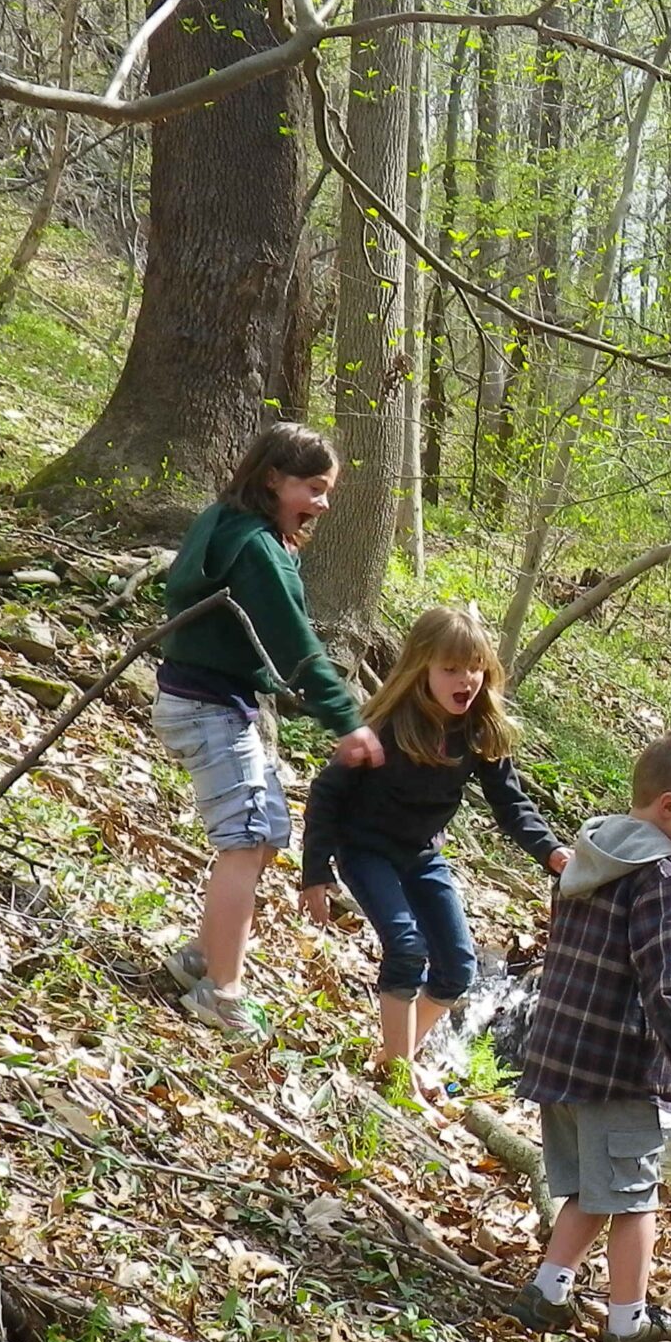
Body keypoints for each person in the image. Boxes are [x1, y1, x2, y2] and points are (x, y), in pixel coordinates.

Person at [502, 729, 671, 1342]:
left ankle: (548, 1293)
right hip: (615, 1064)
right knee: (635, 1197)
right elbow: (668, 976)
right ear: (668, 805)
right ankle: (628, 1324)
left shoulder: (592, 853)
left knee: (591, 1187)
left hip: (560, 1051)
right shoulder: (661, 878)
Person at [153, 422, 383, 1040]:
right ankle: (221, 994)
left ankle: (203, 956)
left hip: (205, 697)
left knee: (264, 832)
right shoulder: (256, 548)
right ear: (272, 478)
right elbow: (296, 642)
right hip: (208, 707)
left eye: (327, 490)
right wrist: (348, 721)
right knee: (247, 838)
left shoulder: (225, 521)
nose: (323, 504)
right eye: (313, 487)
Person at [300, 606, 571, 1095]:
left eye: (474, 668)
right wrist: (315, 871)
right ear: (421, 669)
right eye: (450, 669)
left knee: (456, 969)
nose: (464, 679)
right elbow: (327, 793)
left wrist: (551, 852)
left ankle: (392, 1057)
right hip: (366, 850)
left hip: (423, 854)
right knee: (406, 948)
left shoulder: (480, 730)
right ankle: (399, 1079)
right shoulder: (386, 725)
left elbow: (510, 803)